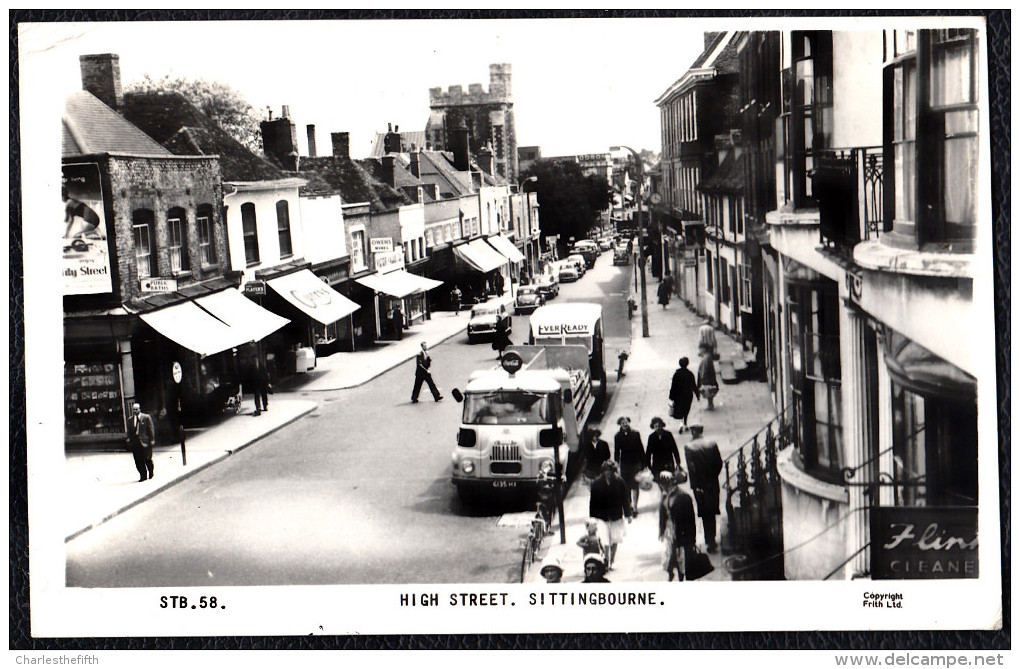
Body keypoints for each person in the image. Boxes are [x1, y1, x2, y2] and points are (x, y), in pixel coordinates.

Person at [684, 424, 724, 552]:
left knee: (705, 513)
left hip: (700, 486)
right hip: (712, 483)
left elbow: (692, 469)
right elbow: (719, 463)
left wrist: (696, 486)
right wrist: (712, 476)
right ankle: (711, 539)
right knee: (711, 511)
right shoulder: (712, 444)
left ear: (693, 432)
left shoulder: (689, 447)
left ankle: (709, 540)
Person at [588, 460, 633, 571]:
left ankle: (611, 560)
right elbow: (593, 502)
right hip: (602, 517)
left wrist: (628, 514)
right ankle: (606, 559)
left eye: (611, 471)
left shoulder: (619, 481)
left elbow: (625, 499)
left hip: (616, 516)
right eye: (607, 471)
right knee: (605, 539)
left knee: (615, 539)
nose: (609, 473)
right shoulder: (597, 483)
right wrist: (592, 518)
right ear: (603, 472)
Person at [658, 469, 697, 581]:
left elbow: (690, 520)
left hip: (681, 532)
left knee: (680, 557)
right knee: (668, 555)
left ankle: (681, 577)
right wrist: (661, 530)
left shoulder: (683, 497)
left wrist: (692, 539)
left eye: (662, 485)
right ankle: (670, 573)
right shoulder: (665, 496)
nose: (661, 487)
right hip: (669, 531)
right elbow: (662, 515)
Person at [613, 416, 645, 515]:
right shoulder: (617, 436)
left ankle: (635, 507)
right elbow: (617, 451)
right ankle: (629, 505)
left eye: (626, 422)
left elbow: (641, 448)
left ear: (629, 422)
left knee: (635, 485)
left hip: (635, 463)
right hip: (625, 465)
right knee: (626, 487)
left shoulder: (635, 434)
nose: (625, 424)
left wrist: (644, 463)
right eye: (622, 422)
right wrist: (616, 464)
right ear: (620, 424)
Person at [126, 402, 156, 482]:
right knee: (138, 460)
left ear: (139, 409)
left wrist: (152, 439)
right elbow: (129, 431)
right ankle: (143, 475)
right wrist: (129, 438)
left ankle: (151, 471)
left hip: (145, 442)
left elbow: (151, 429)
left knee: (147, 459)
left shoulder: (146, 417)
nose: (135, 411)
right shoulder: (130, 420)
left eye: (136, 409)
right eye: (133, 410)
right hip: (135, 443)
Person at [669, 357, 700, 431]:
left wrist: (671, 397)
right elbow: (693, 385)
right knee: (686, 409)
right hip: (688, 395)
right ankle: (685, 423)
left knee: (680, 409)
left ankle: (681, 423)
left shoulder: (676, 374)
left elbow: (673, 386)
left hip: (678, 396)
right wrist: (697, 394)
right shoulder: (690, 374)